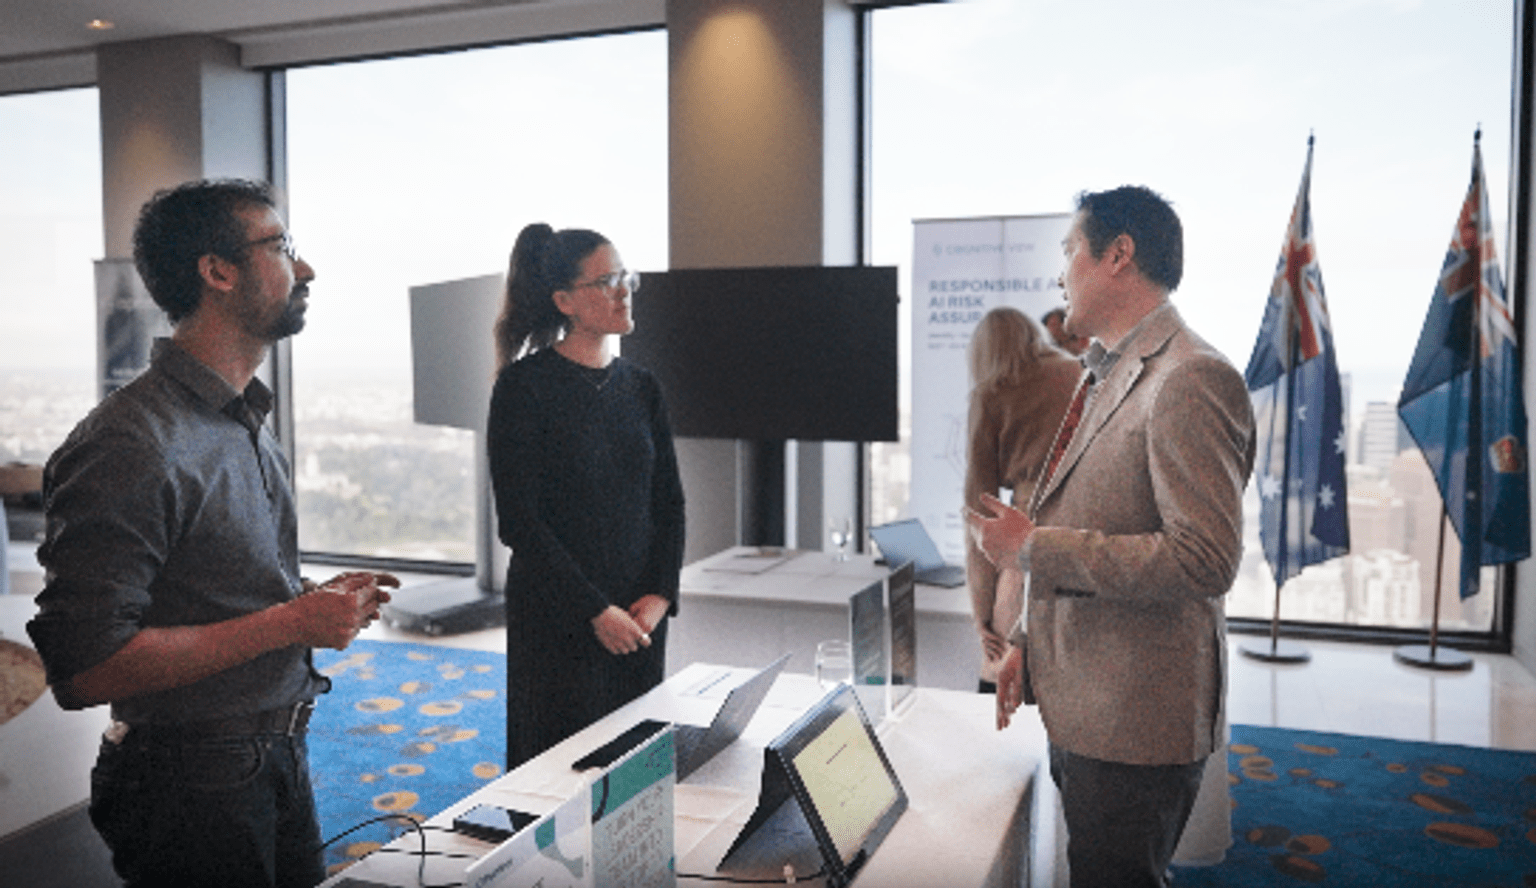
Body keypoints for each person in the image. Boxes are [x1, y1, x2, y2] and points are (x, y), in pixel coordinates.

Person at [26, 178, 398, 888]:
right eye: (283, 246)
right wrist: (292, 621)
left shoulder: (244, 418)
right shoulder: (131, 441)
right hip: (188, 786)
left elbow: (219, 590)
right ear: (217, 271)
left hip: (275, 755)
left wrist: (308, 603)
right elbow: (85, 670)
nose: (306, 268)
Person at [966, 186, 1255, 888]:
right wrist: (1030, 647)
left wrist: (1031, 548)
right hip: (1092, 704)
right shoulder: (1108, 370)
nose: (1060, 271)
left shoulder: (1190, 377)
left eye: (1070, 251)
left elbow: (1203, 559)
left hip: (1137, 721)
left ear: (1117, 256)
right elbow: (1102, 519)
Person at [487, 224, 686, 768]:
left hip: (640, 619)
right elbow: (520, 522)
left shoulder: (642, 387)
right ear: (565, 301)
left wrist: (661, 594)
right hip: (560, 616)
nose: (624, 290)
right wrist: (596, 611)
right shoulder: (523, 388)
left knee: (634, 769)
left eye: (625, 277)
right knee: (555, 778)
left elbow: (670, 503)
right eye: (607, 280)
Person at [963, 307, 1080, 692]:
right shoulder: (1080, 374)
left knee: (1004, 686)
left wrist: (982, 615)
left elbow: (978, 512)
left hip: (1026, 540)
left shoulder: (990, 394)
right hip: (1084, 537)